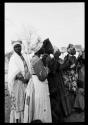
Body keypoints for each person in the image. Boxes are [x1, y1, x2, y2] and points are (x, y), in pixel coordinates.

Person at [23, 40, 52, 123]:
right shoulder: (37, 60)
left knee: (38, 103)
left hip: (36, 83)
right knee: (41, 103)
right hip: (39, 84)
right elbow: (42, 76)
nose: (43, 49)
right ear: (39, 50)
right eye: (42, 48)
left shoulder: (35, 58)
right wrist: (47, 69)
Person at [8, 40, 31, 123]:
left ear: (21, 46)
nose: (18, 48)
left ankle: (25, 119)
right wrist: (23, 79)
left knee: (25, 101)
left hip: (26, 82)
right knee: (18, 102)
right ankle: (18, 120)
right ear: (13, 48)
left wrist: (28, 78)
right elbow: (15, 72)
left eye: (19, 46)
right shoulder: (13, 58)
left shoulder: (24, 56)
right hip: (18, 83)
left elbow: (27, 67)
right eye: (16, 46)